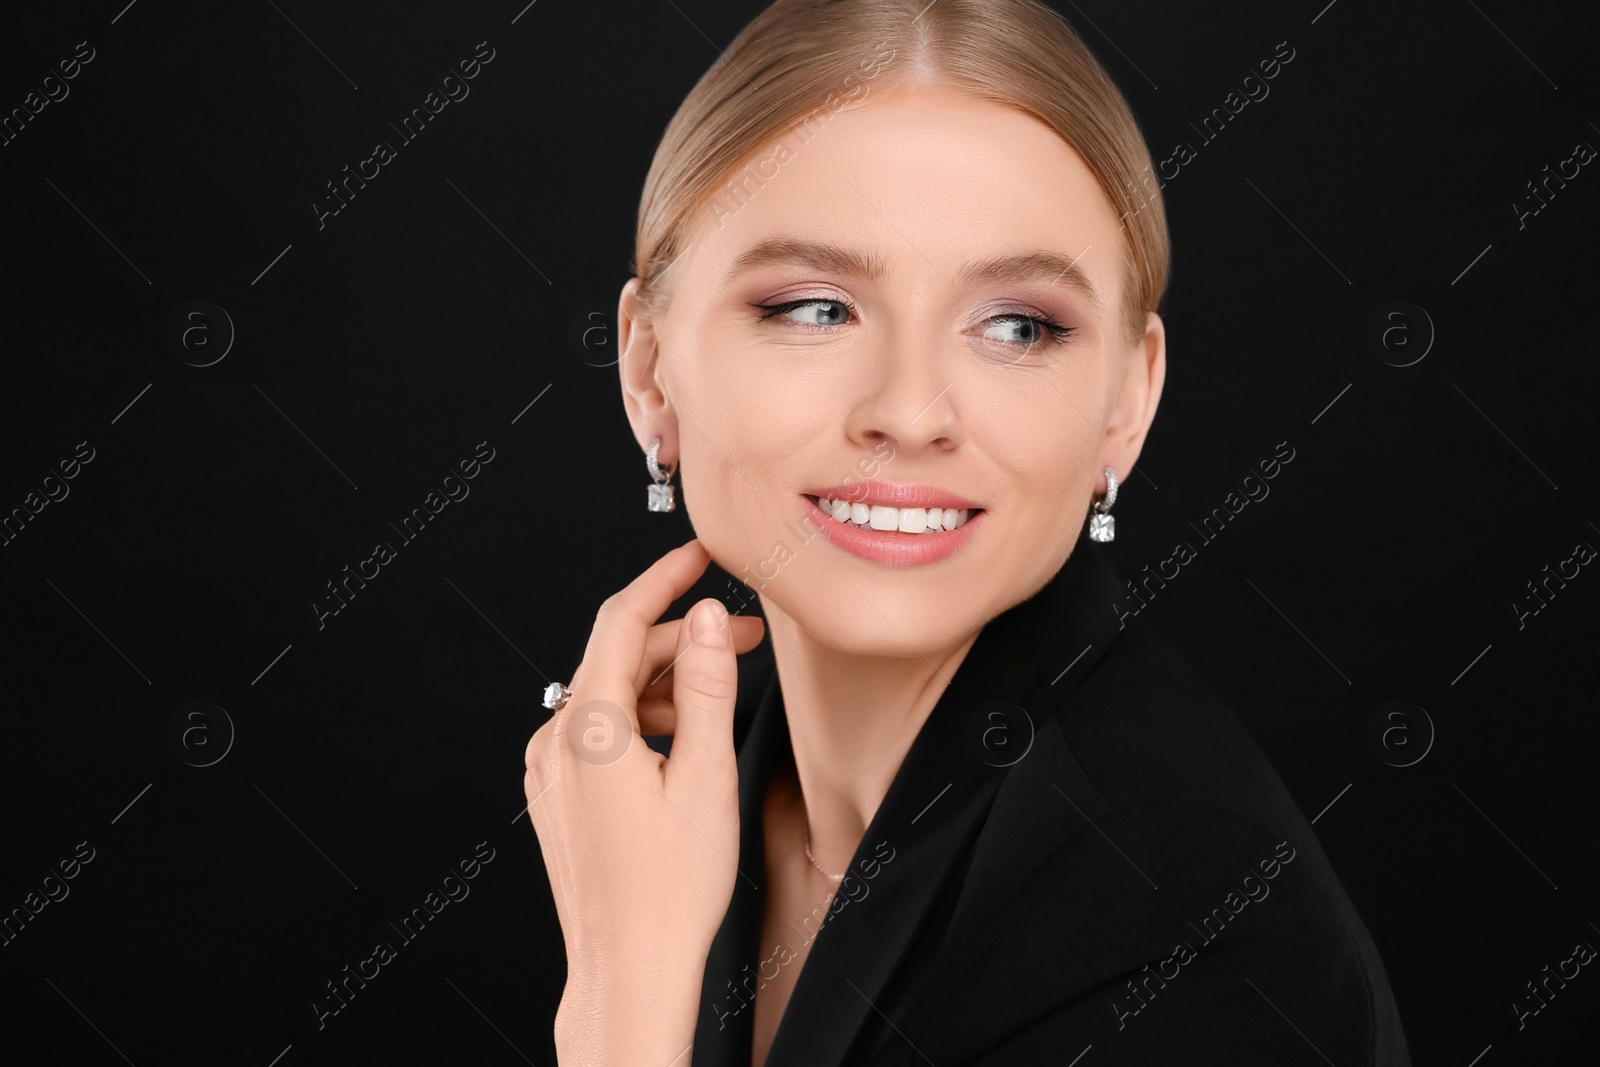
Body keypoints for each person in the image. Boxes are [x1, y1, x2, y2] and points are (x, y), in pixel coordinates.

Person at [522, 0, 1412, 1064]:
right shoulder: (691, 786)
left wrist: (624, 1007)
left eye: (1016, 326)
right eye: (814, 308)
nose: (909, 409)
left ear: (1127, 400)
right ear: (646, 367)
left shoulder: (1189, 917)